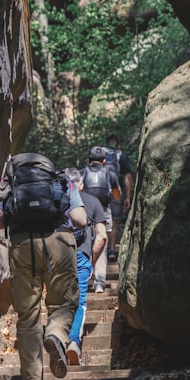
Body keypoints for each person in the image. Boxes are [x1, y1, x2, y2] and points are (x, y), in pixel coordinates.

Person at [0, 153, 86, 380]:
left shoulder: (8, 184)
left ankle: (32, 379)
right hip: (59, 242)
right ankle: (55, 334)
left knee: (27, 313)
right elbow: (80, 219)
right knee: (64, 302)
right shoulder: (61, 180)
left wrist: (13, 211)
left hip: (23, 245)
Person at [65, 168, 107, 365]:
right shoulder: (92, 201)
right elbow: (102, 235)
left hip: (57, 256)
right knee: (80, 300)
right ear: (80, 184)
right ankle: (73, 342)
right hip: (82, 254)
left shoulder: (55, 198)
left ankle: (56, 338)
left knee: (58, 301)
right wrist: (92, 260)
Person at [80, 146, 121, 293]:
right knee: (102, 243)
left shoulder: (82, 173)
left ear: (89, 160)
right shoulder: (109, 173)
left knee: (83, 243)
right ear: (104, 161)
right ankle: (99, 282)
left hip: (84, 211)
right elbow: (117, 195)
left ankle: (82, 278)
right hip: (103, 211)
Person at [104, 133, 135, 262]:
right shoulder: (121, 155)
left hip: (102, 192)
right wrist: (128, 197)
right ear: (118, 144)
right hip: (117, 191)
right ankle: (112, 250)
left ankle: (103, 249)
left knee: (103, 220)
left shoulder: (100, 155)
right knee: (115, 221)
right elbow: (128, 176)